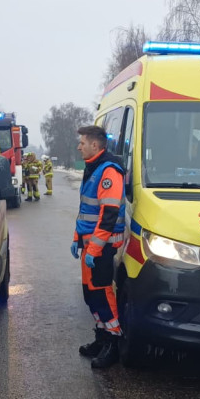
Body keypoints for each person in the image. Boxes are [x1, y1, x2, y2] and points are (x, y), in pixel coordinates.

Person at [72, 125, 126, 368]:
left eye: (82, 142)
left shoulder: (108, 171)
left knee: (103, 294)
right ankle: (101, 337)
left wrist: (93, 250)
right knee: (91, 295)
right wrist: (76, 238)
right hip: (90, 247)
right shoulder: (93, 168)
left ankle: (113, 343)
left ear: (95, 145)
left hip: (102, 248)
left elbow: (108, 215)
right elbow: (86, 212)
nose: (78, 146)